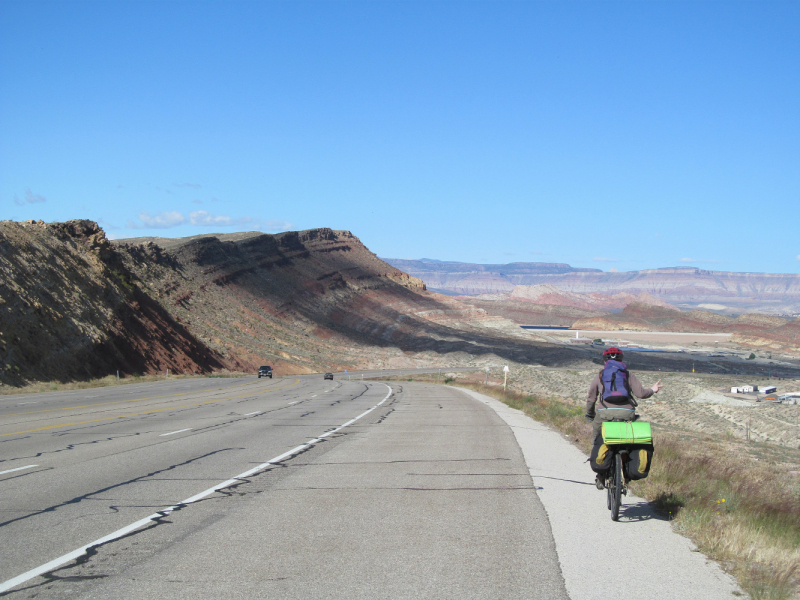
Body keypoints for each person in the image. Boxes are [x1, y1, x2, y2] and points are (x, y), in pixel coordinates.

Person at [586, 347, 662, 489]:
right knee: (630, 440)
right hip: (627, 413)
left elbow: (591, 398)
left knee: (597, 437)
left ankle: (601, 473)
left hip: (605, 414)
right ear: (621, 359)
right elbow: (640, 394)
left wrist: (590, 414)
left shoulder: (601, 375)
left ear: (605, 360)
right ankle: (626, 468)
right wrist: (653, 389)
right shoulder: (627, 374)